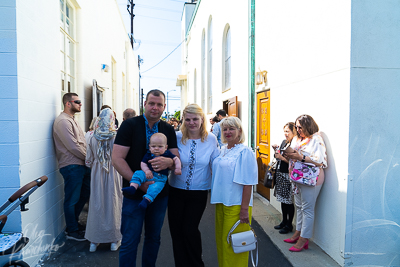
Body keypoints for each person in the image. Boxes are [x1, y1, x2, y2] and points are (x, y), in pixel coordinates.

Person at [112, 89, 178, 267]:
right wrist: (141, 185)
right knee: (130, 240)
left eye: (159, 104)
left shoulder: (168, 129)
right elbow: (116, 158)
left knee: (153, 238)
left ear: (164, 106)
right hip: (134, 194)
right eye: (151, 103)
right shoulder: (130, 125)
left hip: (159, 195)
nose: (155, 108)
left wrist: (168, 162)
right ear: (144, 104)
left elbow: (176, 158)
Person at [168, 104, 220, 267]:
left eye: (195, 119)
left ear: (202, 119)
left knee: (190, 229)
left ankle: (197, 263)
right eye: (188, 119)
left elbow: (217, 162)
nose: (192, 123)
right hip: (176, 190)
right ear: (183, 120)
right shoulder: (176, 137)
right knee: (176, 232)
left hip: (199, 192)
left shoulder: (211, 139)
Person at [210, 117, 258, 267]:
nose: (228, 132)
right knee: (223, 241)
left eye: (231, 128)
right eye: (225, 129)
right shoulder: (223, 150)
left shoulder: (245, 151)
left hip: (237, 204)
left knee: (235, 244)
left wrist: (244, 210)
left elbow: (248, 182)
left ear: (240, 131)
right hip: (222, 202)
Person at [283, 114, 327, 252]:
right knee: (299, 206)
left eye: (300, 127)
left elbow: (320, 161)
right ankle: (298, 232)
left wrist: (300, 157)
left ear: (308, 126)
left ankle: (304, 239)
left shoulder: (316, 139)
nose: (298, 129)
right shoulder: (298, 138)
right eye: (296, 127)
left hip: (311, 178)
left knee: (307, 209)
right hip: (297, 177)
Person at [53, 93, 90, 241]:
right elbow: (73, 146)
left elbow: (82, 142)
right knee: (71, 199)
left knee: (84, 194)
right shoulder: (62, 121)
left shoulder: (72, 120)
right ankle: (72, 230)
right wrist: (89, 159)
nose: (81, 104)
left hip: (81, 164)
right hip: (72, 166)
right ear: (68, 103)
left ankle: (74, 223)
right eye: (78, 102)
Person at [84, 108, 122, 252]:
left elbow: (88, 160)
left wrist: (95, 164)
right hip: (114, 172)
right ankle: (114, 239)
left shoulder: (92, 136)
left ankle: (94, 241)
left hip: (97, 173)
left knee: (97, 203)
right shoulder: (117, 136)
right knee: (114, 202)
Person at [122, 133, 181, 209]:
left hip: (160, 178)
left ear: (166, 147)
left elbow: (176, 159)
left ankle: (146, 200)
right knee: (138, 173)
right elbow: (143, 163)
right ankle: (133, 187)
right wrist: (146, 171)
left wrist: (178, 168)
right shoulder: (149, 154)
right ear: (149, 147)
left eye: (160, 146)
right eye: (153, 146)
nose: (156, 148)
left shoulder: (167, 154)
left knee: (155, 188)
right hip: (148, 174)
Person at [272, 122, 297, 234]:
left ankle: (289, 225)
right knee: (282, 200)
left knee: (289, 202)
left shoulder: (295, 145)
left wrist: (281, 157)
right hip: (281, 173)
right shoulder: (284, 142)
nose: (285, 133)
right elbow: (279, 157)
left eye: (288, 131)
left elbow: (293, 163)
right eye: (285, 131)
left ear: (294, 131)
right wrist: (276, 151)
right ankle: (284, 221)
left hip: (289, 175)